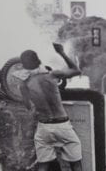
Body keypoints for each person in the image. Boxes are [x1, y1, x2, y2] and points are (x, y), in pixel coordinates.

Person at [16, 43, 82, 171]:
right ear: (38, 60)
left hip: (44, 127)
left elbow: (28, 106)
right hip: (62, 125)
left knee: (43, 166)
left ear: (24, 66)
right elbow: (77, 70)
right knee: (76, 164)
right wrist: (61, 52)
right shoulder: (52, 75)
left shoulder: (24, 84)